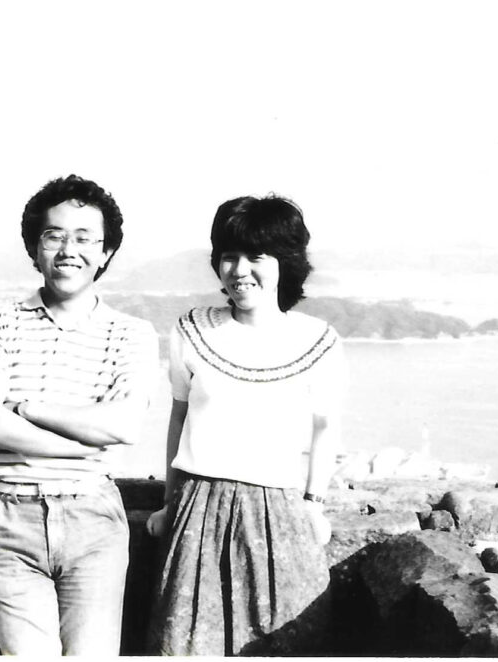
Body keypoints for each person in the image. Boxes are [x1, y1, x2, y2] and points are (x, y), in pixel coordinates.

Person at [0, 174, 159, 655]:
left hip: (93, 517)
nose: (68, 250)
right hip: (11, 517)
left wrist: (27, 408)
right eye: (54, 236)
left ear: (106, 252)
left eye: (85, 238)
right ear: (35, 248)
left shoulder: (131, 333)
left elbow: (124, 425)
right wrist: (83, 442)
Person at [146, 195, 345, 656]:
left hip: (279, 512)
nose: (239, 270)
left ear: (285, 262)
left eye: (256, 256)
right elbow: (179, 417)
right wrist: (169, 501)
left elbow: (325, 427)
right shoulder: (192, 330)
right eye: (229, 256)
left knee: (278, 641)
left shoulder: (318, 340)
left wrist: (314, 504)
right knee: (187, 642)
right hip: (197, 508)